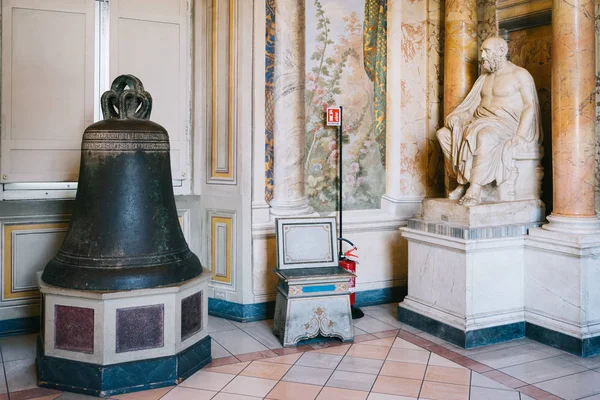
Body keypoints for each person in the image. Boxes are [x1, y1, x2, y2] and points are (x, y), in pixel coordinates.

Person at [436, 36, 543, 206]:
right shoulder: (484, 78)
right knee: (443, 134)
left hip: (506, 125)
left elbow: (530, 106)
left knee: (485, 135)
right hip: (481, 122)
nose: (483, 56)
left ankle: (476, 188)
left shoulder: (519, 75)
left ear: (502, 52)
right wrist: (458, 117)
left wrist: (521, 135)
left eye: (486, 51)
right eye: (482, 51)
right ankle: (464, 181)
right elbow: (471, 108)